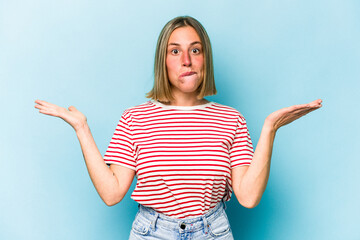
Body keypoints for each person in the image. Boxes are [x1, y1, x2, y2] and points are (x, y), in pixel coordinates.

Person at [34, 16, 322, 240]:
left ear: (205, 58)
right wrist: (82, 128)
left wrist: (270, 128)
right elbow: (112, 193)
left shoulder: (231, 119)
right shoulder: (135, 118)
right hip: (152, 232)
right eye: (175, 51)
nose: (186, 60)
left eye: (195, 50)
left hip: (213, 231)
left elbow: (248, 197)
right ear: (164, 61)